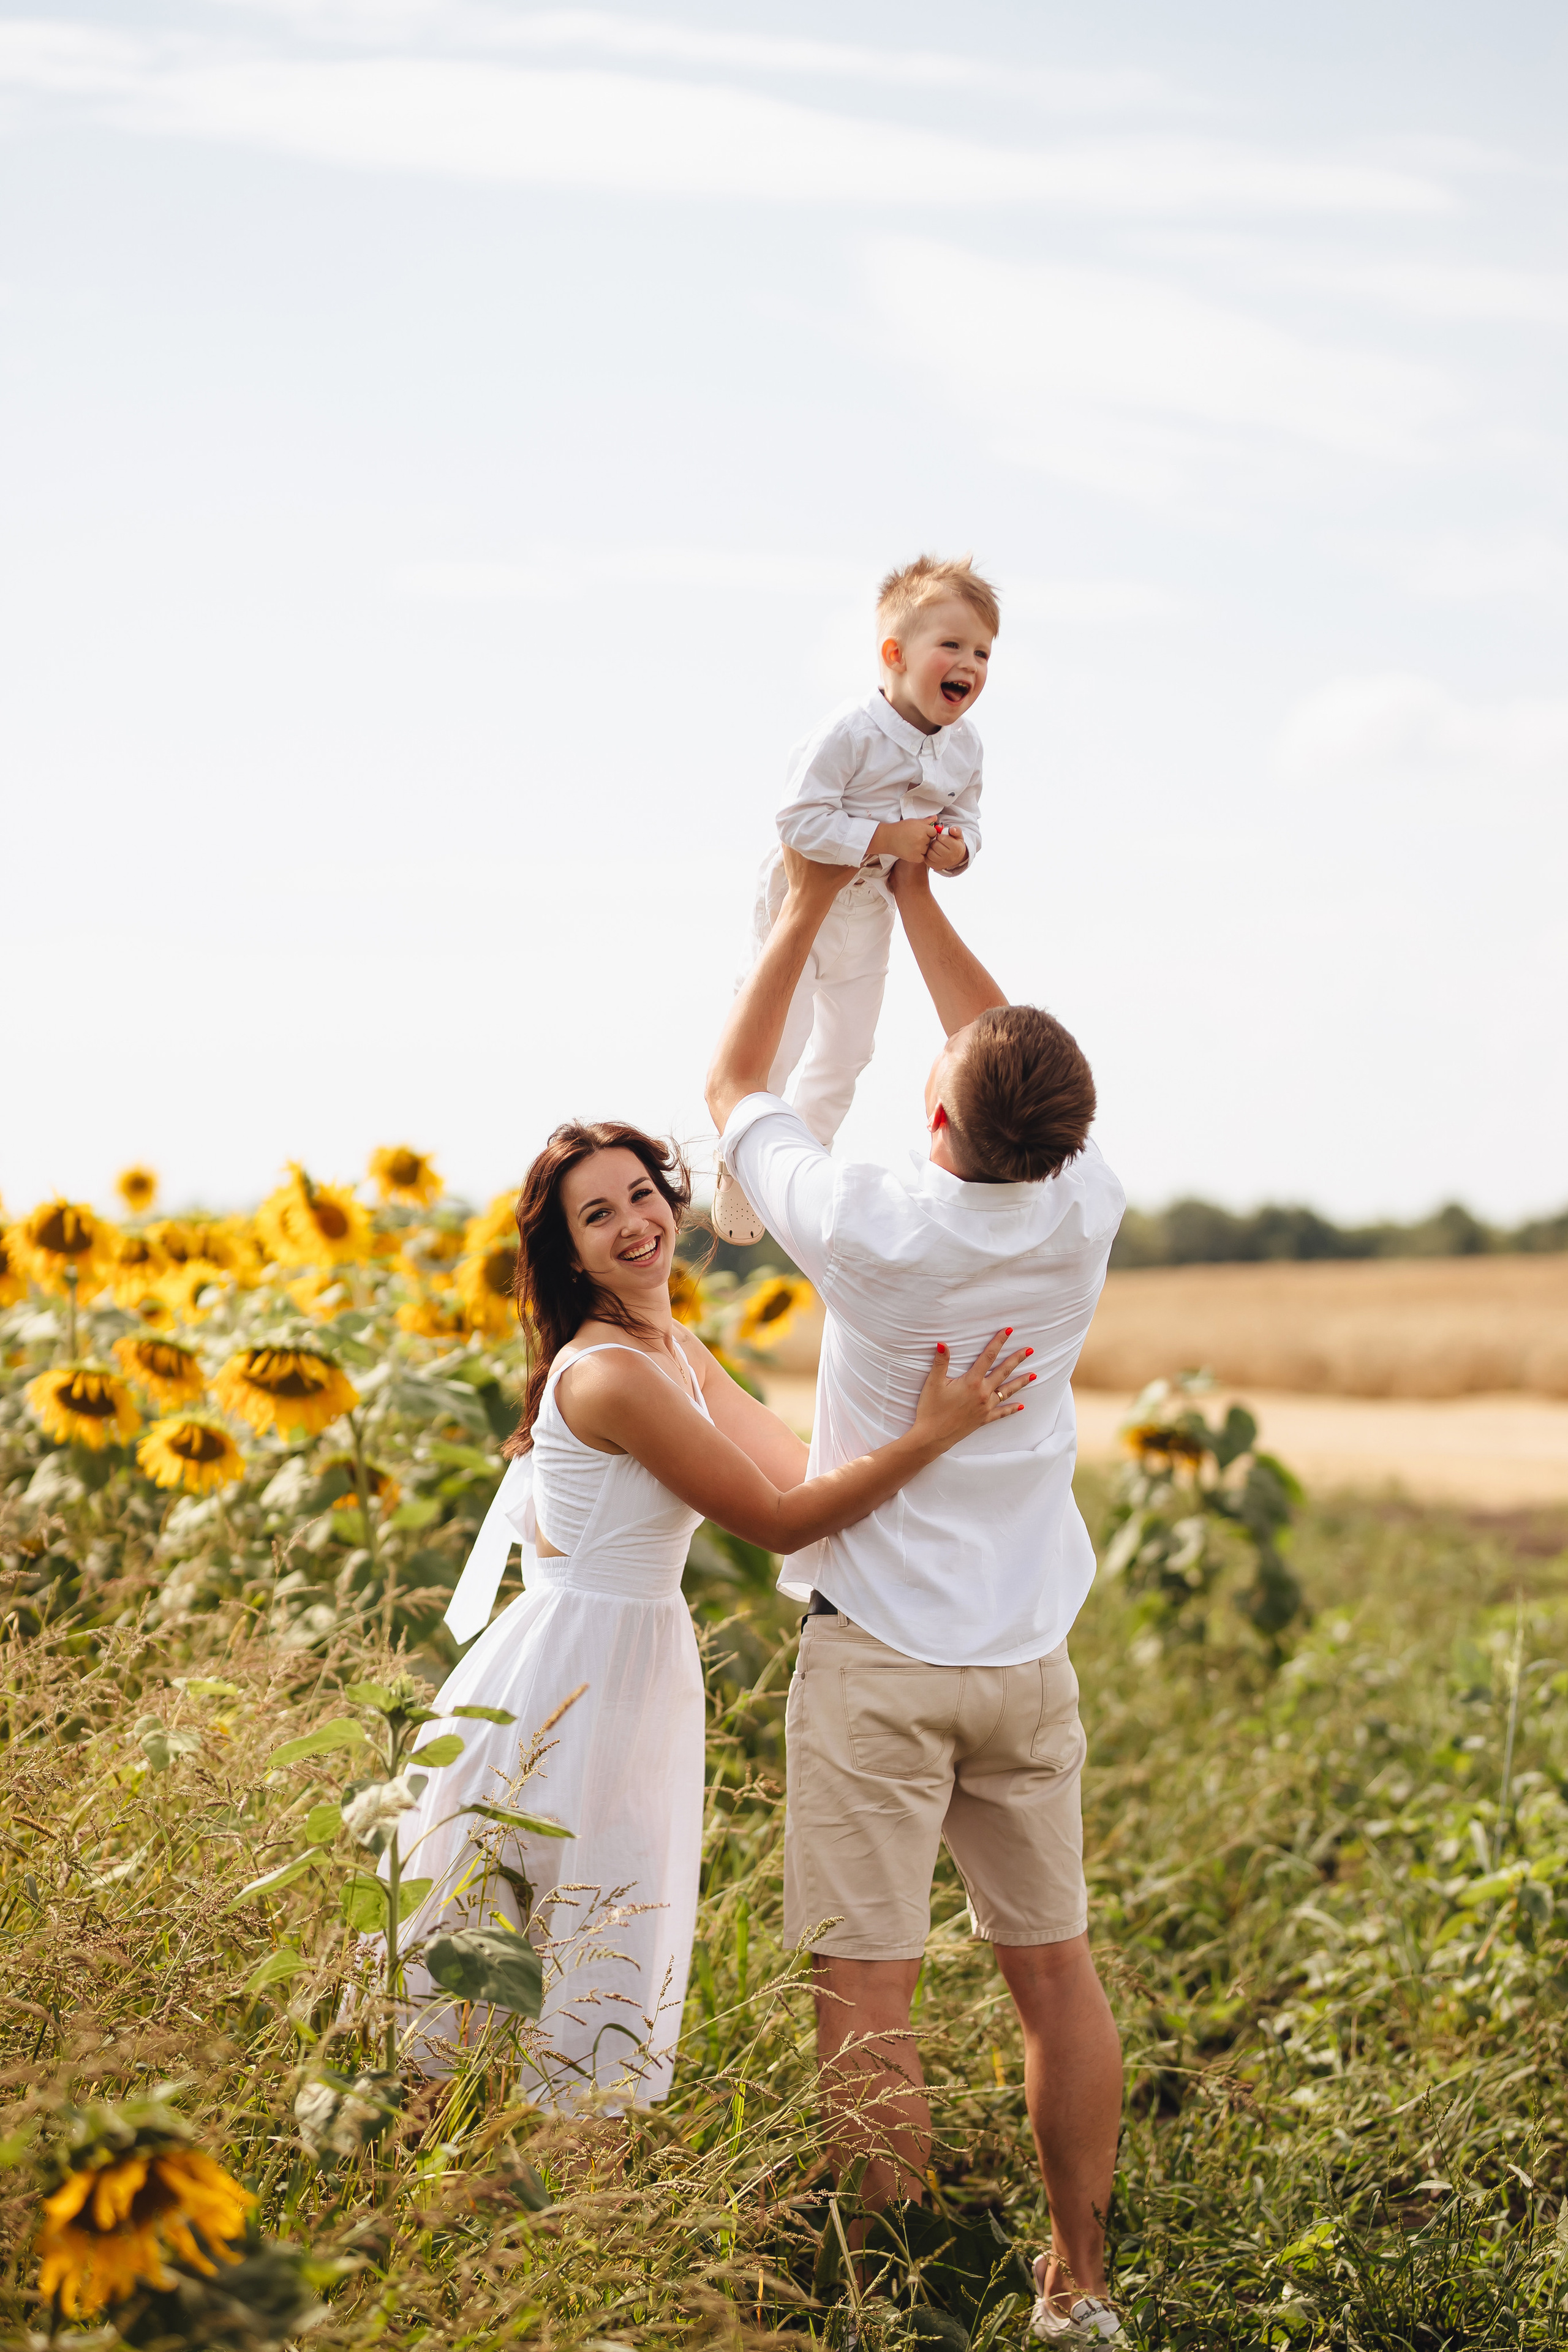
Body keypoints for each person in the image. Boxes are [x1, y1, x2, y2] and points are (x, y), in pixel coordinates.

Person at [384, 1117, 1031, 2112]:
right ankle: (438, 2203)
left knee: (601, 1942)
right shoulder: (612, 1373)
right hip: (568, 1677)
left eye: (643, 1193)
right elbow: (778, 1520)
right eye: (596, 1214)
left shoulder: (671, 1344)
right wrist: (935, 1434)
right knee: (493, 1963)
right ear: (565, 1249)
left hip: (632, 1668)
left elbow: (799, 1468)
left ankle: (562, 2210)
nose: (634, 1223)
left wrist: (926, 1432)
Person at [706, 848, 1129, 2344]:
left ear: (934, 1115)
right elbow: (1007, 1056)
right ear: (1064, 1132)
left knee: (867, 1991)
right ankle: (1077, 2287)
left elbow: (733, 1085)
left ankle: (898, 2304)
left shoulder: (872, 1228)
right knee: (1052, 1970)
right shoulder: (1083, 1210)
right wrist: (921, 895)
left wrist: (821, 899)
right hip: (1025, 1655)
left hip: (879, 1654)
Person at [714, 555, 997, 1242]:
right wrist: (889, 835)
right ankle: (745, 1152)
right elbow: (797, 821)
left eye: (984, 652)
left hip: (871, 912)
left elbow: (968, 820)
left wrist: (955, 850)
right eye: (952, 646)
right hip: (804, 901)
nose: (971, 663)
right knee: (785, 1034)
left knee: (850, 1047)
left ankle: (802, 1168)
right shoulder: (849, 732)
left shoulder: (965, 750)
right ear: (895, 654)